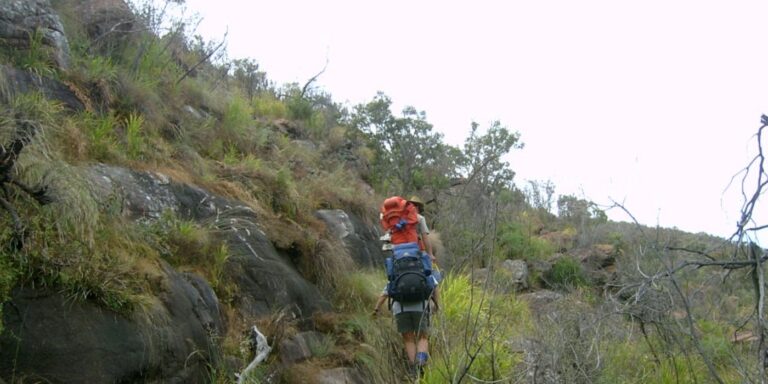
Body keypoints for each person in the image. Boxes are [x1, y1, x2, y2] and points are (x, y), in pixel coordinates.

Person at [372, 276, 439, 374]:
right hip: (421, 307)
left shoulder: (397, 269)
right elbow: (435, 287)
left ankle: (414, 368)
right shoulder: (422, 266)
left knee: (408, 339)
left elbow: (386, 292)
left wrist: (376, 309)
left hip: (401, 308)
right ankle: (420, 362)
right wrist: (436, 305)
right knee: (422, 337)